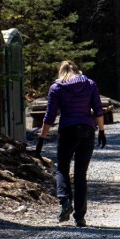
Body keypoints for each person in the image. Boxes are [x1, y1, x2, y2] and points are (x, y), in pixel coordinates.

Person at [35, 60, 107, 227]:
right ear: (77, 70)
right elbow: (98, 109)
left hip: (68, 131)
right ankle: (80, 217)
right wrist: (102, 131)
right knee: (81, 174)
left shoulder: (57, 88)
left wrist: (41, 138)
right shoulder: (90, 84)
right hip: (87, 130)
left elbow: (50, 116)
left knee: (62, 169)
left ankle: (65, 201)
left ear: (61, 71)